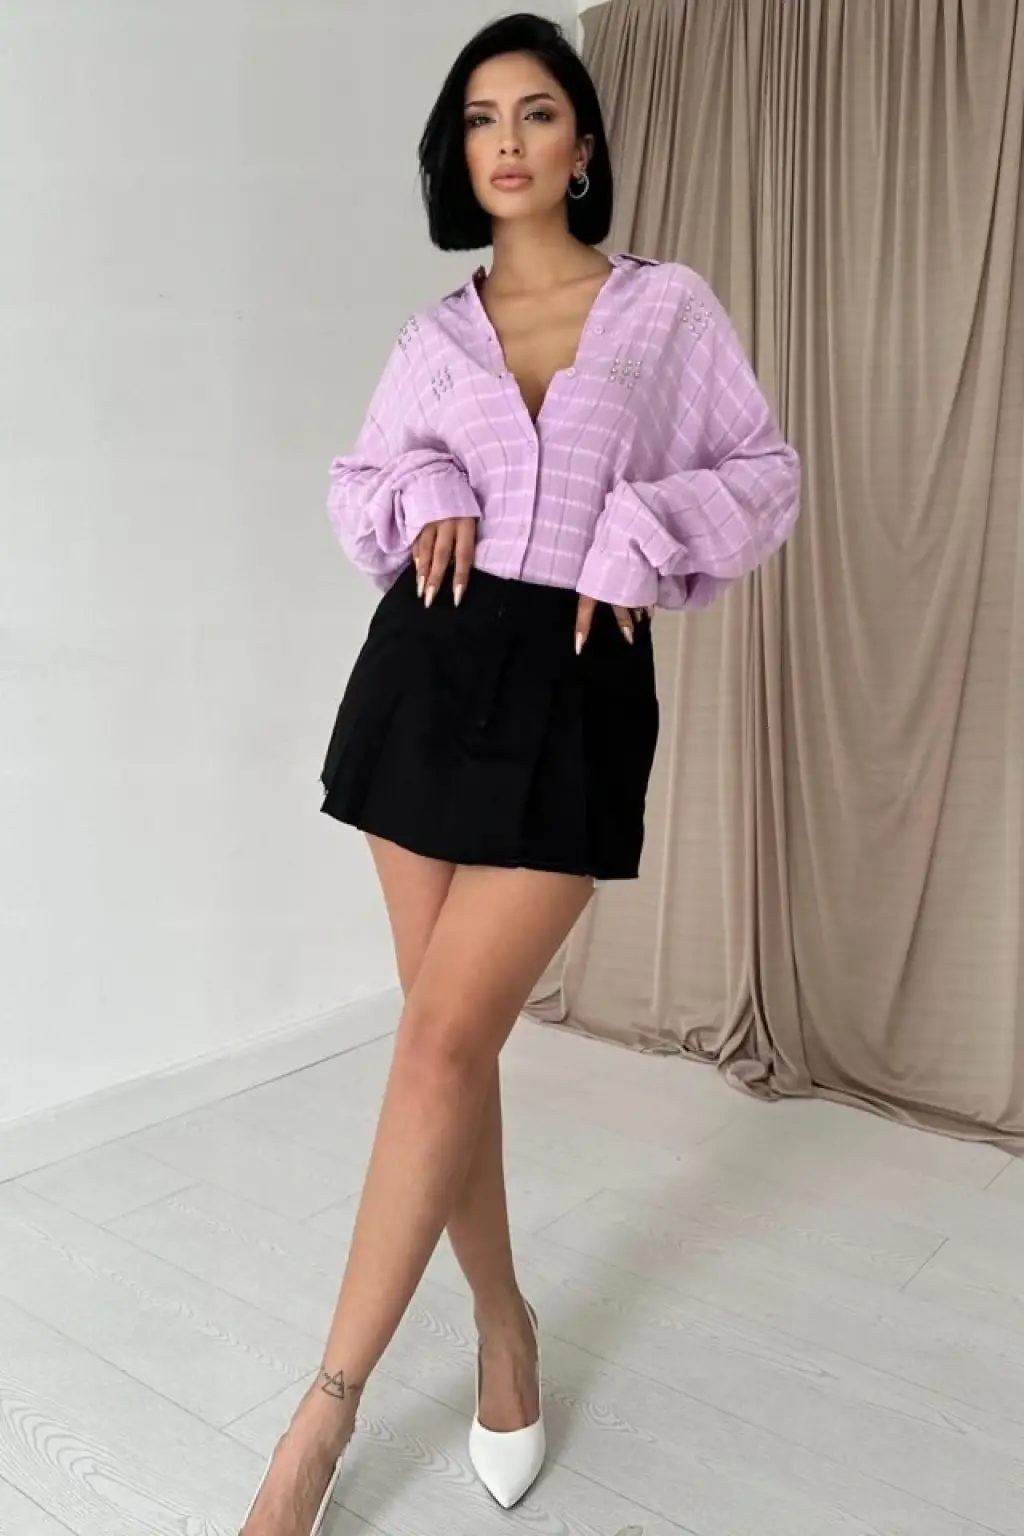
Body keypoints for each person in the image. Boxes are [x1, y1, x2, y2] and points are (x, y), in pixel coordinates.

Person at [240, 12, 800, 1535]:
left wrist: (645, 530)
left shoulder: (666, 310)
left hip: (578, 685)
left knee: (440, 1043)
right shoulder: (433, 339)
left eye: (536, 111)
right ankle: (499, 1329)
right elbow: (361, 484)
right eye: (482, 117)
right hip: (426, 674)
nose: (508, 139)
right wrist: (427, 476)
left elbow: (765, 473)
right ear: (460, 152)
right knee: (450, 1046)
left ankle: (320, 1419)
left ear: (582, 144)